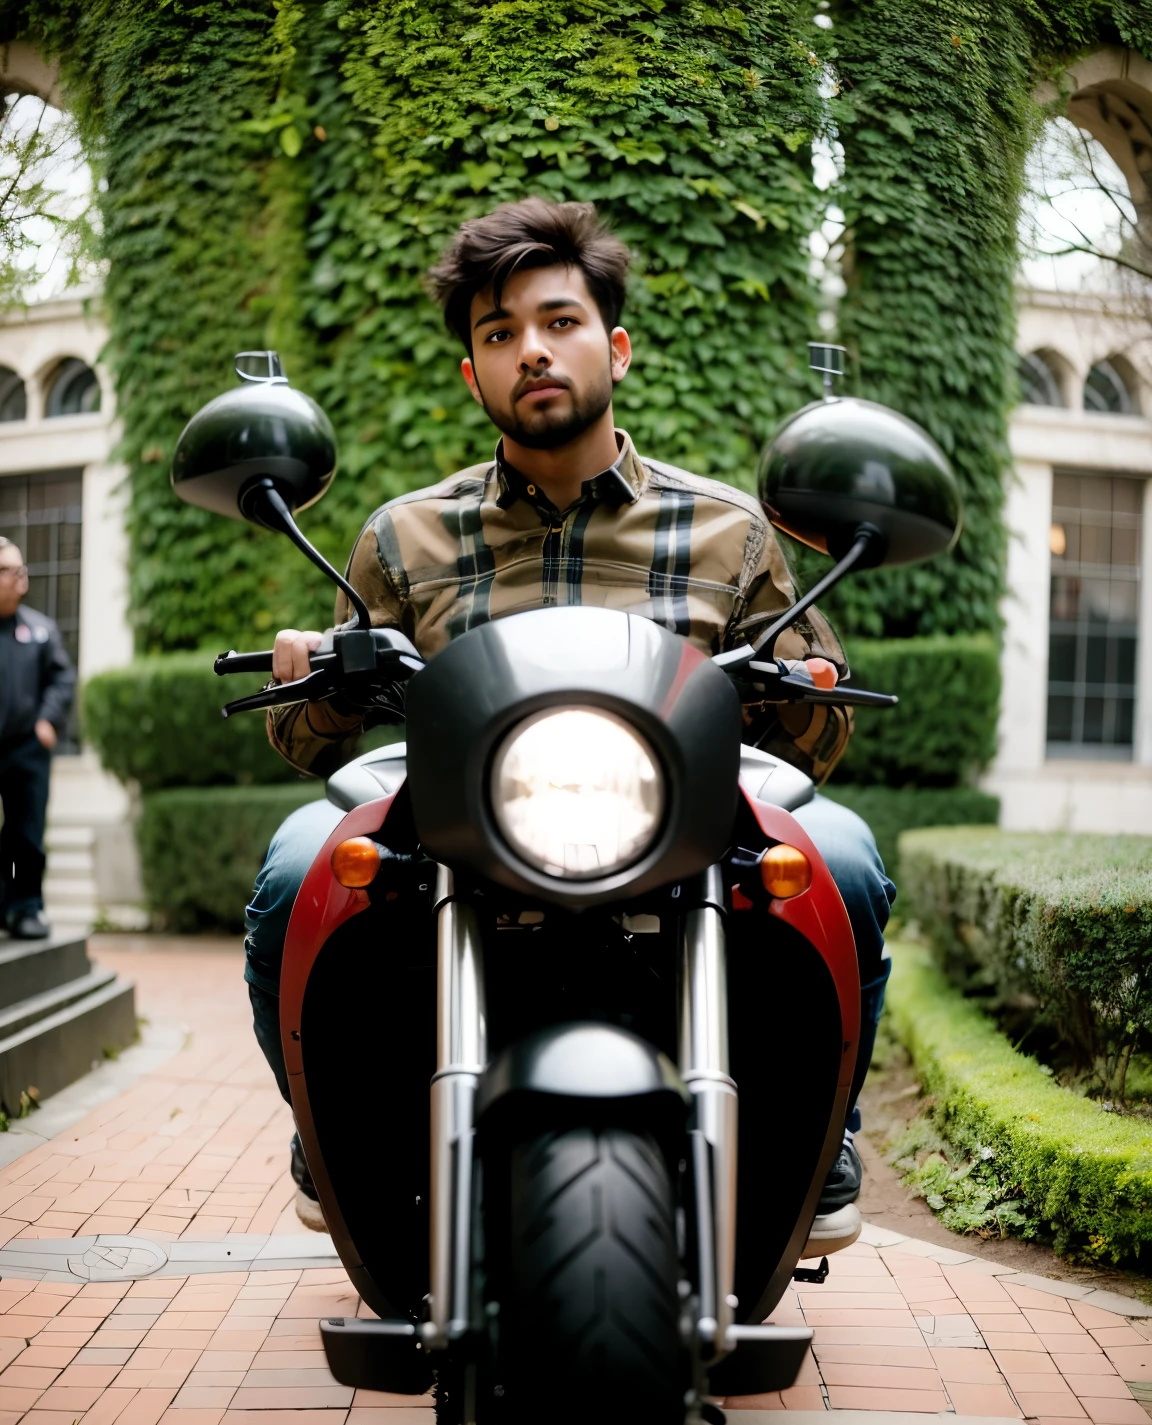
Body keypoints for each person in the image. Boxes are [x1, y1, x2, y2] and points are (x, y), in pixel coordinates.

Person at [244, 197, 893, 1239]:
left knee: (846, 859)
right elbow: (304, 738)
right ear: (473, 374)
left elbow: (820, 736)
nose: (531, 352)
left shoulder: (732, 528)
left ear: (616, 348)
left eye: (559, 322)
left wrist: (801, 682)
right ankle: (336, 1132)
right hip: (464, 814)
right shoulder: (403, 535)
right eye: (499, 336)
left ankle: (821, 1137)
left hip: (683, 813)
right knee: (292, 869)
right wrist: (315, 674)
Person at [0, 538, 75, 941]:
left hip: (28, 749)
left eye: (21, 569)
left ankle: (25, 908)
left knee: (25, 834)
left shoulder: (41, 631)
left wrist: (48, 720)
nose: (20, 579)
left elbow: (62, 679)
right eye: (11, 571)